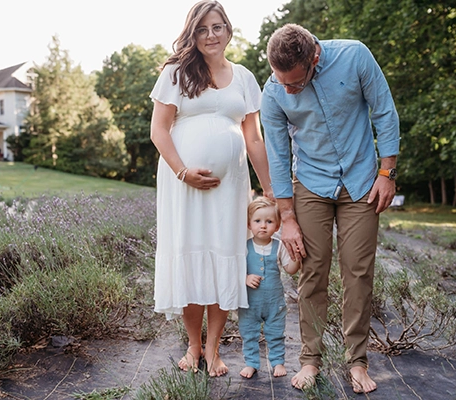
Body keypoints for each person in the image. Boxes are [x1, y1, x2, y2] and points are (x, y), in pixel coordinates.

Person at [260, 24, 400, 393]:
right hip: (310, 183)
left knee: (357, 271)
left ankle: (357, 362)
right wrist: (286, 217)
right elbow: (278, 154)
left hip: (361, 181)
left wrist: (387, 172)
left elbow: (384, 112)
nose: (286, 89)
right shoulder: (273, 91)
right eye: (280, 81)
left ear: (314, 58)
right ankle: (310, 360)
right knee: (312, 271)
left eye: (294, 82)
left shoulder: (354, 56)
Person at [149, 0, 272, 377]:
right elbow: (158, 130)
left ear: (228, 29)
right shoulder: (176, 72)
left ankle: (215, 350)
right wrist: (184, 171)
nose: (210, 35)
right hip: (183, 184)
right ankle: (193, 345)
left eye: (217, 27)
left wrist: (269, 191)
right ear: (193, 34)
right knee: (189, 256)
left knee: (224, 257)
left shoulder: (246, 78)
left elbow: (254, 139)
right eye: (202, 29)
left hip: (231, 186)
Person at [238, 197, 300, 379]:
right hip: (250, 304)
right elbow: (234, 270)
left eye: (269, 221)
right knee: (249, 333)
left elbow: (290, 269)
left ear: (278, 225)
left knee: (275, 332)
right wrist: (245, 278)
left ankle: (277, 362)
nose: (263, 226)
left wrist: (296, 256)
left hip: (274, 302)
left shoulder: (279, 246)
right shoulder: (245, 247)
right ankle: (251, 363)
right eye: (257, 221)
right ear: (249, 224)